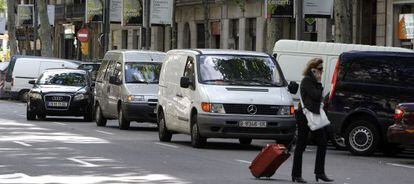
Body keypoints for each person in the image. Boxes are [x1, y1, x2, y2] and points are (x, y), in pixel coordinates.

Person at [291, 58, 334, 183]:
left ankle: (319, 173)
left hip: (314, 115)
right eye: (320, 69)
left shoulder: (314, 81)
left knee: (323, 142)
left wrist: (318, 83)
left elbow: (318, 97)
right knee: (301, 145)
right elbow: (316, 95)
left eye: (322, 69)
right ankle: (296, 175)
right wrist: (319, 82)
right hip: (304, 116)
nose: (321, 71)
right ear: (313, 69)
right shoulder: (307, 81)